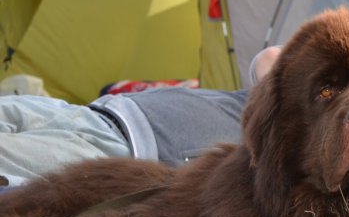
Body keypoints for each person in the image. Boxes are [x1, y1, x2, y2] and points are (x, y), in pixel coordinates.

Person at [0, 47, 281, 187]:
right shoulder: (276, 98)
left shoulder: (279, 154)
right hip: (92, 112)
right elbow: (269, 58)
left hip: (116, 148)